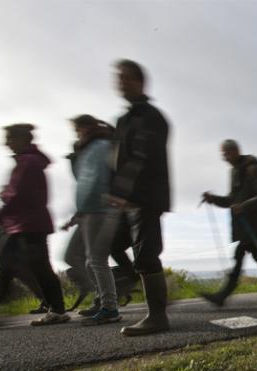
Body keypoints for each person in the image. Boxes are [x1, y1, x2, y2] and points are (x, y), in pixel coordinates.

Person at [108, 59, 172, 336]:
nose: (120, 82)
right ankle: (142, 284)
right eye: (118, 78)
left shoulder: (150, 117)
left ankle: (157, 316)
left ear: (140, 82)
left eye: (126, 78)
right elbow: (119, 160)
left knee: (146, 253)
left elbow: (142, 157)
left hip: (145, 197)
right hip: (127, 199)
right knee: (113, 244)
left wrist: (122, 190)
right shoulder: (124, 119)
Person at [0, 124, 70, 325]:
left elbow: (18, 195)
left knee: (37, 267)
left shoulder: (28, 162)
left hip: (28, 224)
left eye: (9, 138)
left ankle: (57, 310)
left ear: (22, 138)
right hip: (22, 224)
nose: (6, 143)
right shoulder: (27, 161)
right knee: (7, 265)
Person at [199, 140, 257, 306]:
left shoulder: (252, 168)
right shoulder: (234, 171)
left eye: (226, 153)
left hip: (255, 224)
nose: (224, 157)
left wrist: (244, 206)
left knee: (242, 256)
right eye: (222, 154)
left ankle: (223, 295)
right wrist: (213, 199)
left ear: (236, 150)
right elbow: (232, 200)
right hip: (244, 226)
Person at [68, 114, 122, 324]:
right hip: (90, 209)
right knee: (87, 259)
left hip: (100, 208)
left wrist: (89, 206)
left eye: (78, 129)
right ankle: (103, 301)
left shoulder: (100, 146)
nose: (77, 134)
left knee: (96, 260)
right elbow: (82, 181)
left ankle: (110, 308)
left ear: (87, 127)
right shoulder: (88, 148)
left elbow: (97, 178)